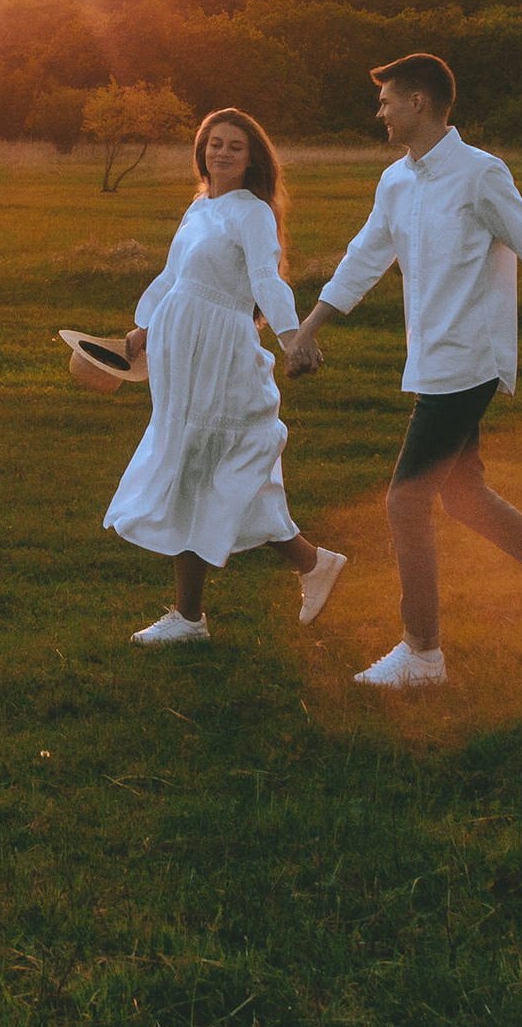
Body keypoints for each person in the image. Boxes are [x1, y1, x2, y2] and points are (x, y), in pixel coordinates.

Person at [283, 53, 522, 690]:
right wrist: (308, 330)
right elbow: (364, 258)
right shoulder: (396, 181)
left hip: (470, 360)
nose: (380, 113)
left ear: (419, 102)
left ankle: (423, 654)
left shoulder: (480, 174)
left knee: (405, 502)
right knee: (464, 497)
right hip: (431, 359)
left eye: (386, 101)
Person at [103, 107, 346, 648]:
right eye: (215, 143)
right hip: (181, 353)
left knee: (208, 465)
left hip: (221, 353)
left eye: (236, 146)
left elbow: (266, 277)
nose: (223, 153)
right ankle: (300, 569)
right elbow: (174, 275)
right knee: (198, 467)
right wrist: (143, 326)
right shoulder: (199, 207)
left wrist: (292, 337)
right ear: (202, 150)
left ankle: (208, 611)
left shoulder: (252, 212)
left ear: (252, 157)